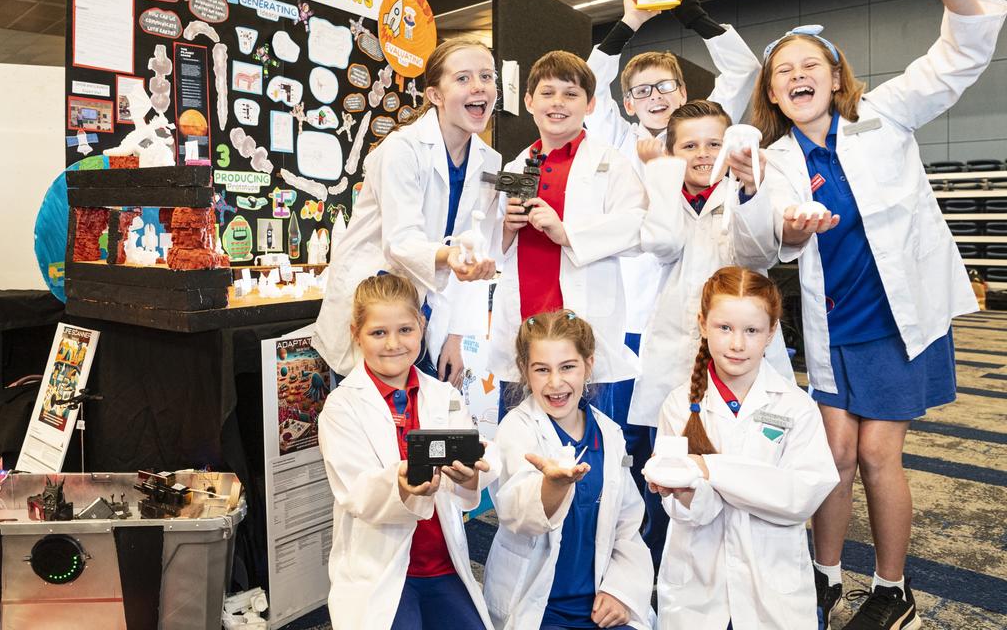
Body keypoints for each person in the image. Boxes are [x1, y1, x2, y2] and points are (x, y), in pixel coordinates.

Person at [749, 0, 1006, 629]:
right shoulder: (771, 161)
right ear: (773, 93)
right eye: (785, 71)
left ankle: (894, 590)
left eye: (811, 65)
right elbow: (759, 235)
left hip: (898, 324)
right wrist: (790, 228)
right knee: (831, 455)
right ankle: (825, 576)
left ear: (836, 78)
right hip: (833, 333)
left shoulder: (883, 117)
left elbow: (958, 58)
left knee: (874, 453)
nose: (799, 76)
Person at [585, 0, 762, 554]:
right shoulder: (617, 141)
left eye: (665, 86)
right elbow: (591, 82)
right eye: (641, 90)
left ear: (684, 91)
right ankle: (634, 555)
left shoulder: (704, 141)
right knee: (633, 448)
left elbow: (744, 72)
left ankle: (694, 553)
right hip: (630, 319)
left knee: (700, 442)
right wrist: (630, 18)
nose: (654, 97)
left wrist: (699, 19)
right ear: (629, 101)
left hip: (699, 323)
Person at [652, 266, 838, 629]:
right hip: (697, 591)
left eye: (751, 330)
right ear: (703, 325)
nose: (737, 344)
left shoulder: (795, 407)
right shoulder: (678, 405)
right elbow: (692, 512)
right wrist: (687, 491)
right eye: (725, 328)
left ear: (771, 333)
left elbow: (798, 498)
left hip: (773, 588)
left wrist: (707, 470)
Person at [313, 39, 502, 385]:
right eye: (462, 78)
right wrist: (454, 257)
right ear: (435, 95)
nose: (479, 86)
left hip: (428, 318)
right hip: (375, 308)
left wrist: (458, 336)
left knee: (426, 428)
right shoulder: (402, 149)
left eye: (487, 76)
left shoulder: (489, 163)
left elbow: (477, 250)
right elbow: (401, 242)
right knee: (369, 425)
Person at [318, 273, 498, 630]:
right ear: (357, 334)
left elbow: (468, 476)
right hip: (380, 570)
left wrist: (471, 474)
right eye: (378, 333)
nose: (393, 344)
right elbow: (356, 493)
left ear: (422, 326)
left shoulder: (443, 396)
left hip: (441, 565)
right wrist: (400, 485)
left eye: (405, 330)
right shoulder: (342, 407)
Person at [489, 51, 647, 394]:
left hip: (583, 327)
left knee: (588, 436)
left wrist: (568, 233)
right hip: (524, 326)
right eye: (547, 93)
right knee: (519, 438)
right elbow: (488, 251)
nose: (558, 103)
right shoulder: (515, 168)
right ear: (529, 101)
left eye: (571, 94)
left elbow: (638, 228)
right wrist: (506, 228)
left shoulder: (610, 162)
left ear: (589, 105)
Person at [484, 309, 653, 630]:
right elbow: (516, 513)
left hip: (600, 604)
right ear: (524, 370)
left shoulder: (608, 434)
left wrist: (620, 592)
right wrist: (553, 488)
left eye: (568, 367)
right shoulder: (517, 429)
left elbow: (628, 525)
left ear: (588, 365)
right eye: (542, 369)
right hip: (538, 606)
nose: (556, 382)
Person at [634, 98, 793, 436]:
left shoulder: (749, 192)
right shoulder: (662, 197)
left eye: (714, 144)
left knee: (751, 453)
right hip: (675, 356)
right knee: (673, 465)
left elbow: (759, 254)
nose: (703, 153)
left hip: (742, 347)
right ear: (671, 152)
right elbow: (664, 245)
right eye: (689, 145)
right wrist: (660, 174)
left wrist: (752, 190)